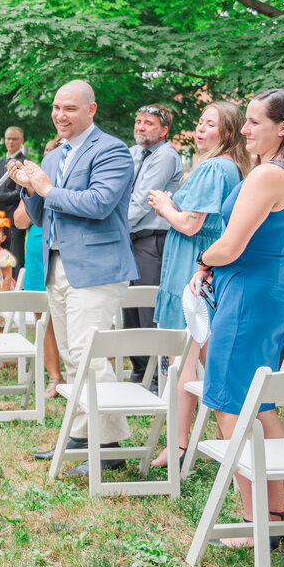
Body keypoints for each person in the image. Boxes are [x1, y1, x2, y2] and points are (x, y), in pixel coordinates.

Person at [192, 88, 284, 547]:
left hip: (246, 296)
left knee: (230, 403)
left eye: (256, 121)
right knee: (260, 401)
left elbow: (231, 245)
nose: (245, 129)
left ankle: (256, 522)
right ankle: (271, 516)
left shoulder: (266, 176)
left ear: (283, 127)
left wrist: (204, 258)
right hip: (268, 290)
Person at [11, 79, 138, 477]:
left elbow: (100, 204)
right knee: (70, 353)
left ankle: (110, 445)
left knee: (88, 353)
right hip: (56, 263)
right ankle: (83, 436)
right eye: (56, 107)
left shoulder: (113, 150)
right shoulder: (52, 157)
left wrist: (46, 189)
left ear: (91, 110)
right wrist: (29, 190)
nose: (60, 115)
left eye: (69, 108)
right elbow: (41, 213)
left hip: (97, 267)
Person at [146, 102, 249, 468]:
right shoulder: (227, 167)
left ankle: (178, 445)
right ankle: (232, 434)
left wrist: (163, 205)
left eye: (211, 124)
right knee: (210, 355)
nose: (201, 128)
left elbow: (189, 223)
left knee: (182, 358)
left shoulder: (213, 168)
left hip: (191, 269)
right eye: (200, 122)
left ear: (228, 133)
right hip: (201, 267)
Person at [123, 103, 184, 382]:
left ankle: (158, 377)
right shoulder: (133, 152)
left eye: (148, 123)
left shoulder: (166, 156)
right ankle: (139, 370)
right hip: (131, 238)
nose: (140, 127)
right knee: (130, 308)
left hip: (152, 239)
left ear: (164, 130)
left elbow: (143, 201)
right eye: (138, 121)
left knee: (149, 307)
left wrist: (115, 229)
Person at [14, 198, 63, 392]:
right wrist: (39, 195)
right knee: (41, 317)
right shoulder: (38, 179)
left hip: (65, 246)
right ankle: (55, 377)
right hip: (36, 248)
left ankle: (79, 374)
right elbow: (19, 220)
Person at [0, 126, 29, 268]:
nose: (11, 142)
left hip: (15, 217)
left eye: (15, 139)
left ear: (21, 141)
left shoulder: (24, 163)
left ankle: (17, 287)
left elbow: (19, 193)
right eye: (8, 138)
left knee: (15, 256)